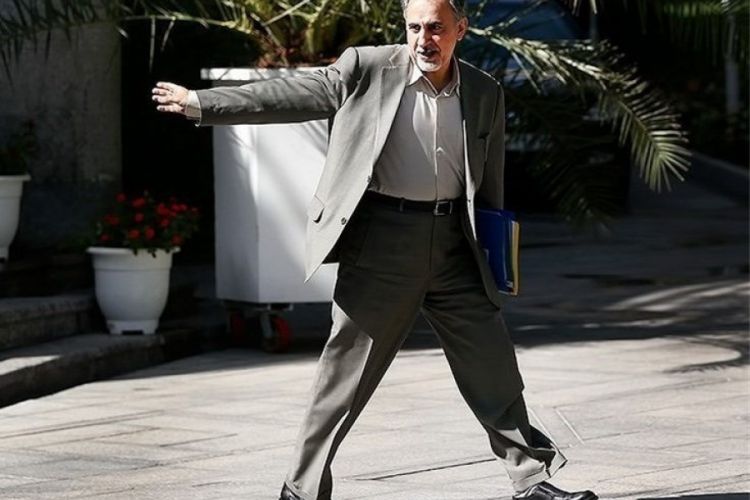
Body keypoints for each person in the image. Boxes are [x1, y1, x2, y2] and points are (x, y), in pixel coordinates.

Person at [152, 0, 597, 499]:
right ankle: (301, 489)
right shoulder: (366, 68)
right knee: (345, 374)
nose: (424, 40)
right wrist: (203, 103)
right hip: (382, 242)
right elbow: (294, 93)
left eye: (436, 28)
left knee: (491, 364)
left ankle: (531, 480)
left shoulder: (483, 90)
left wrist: (494, 253)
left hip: (457, 246)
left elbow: (489, 183)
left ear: (461, 29)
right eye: (414, 27)